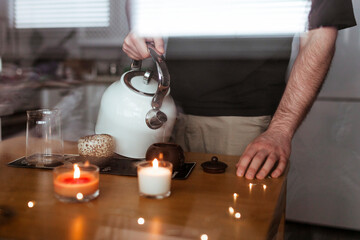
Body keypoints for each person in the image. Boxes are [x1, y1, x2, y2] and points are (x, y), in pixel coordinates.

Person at [122, 0, 356, 179]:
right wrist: (141, 25)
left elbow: (319, 35)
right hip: (168, 113)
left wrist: (280, 130)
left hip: (242, 124)